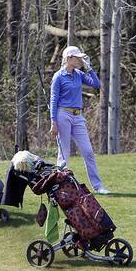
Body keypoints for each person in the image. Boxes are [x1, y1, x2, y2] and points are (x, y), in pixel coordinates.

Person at [49, 45, 110, 194]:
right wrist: (53, 122)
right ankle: (60, 187)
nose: (80, 60)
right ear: (69, 59)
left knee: (88, 151)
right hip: (63, 115)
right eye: (78, 58)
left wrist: (89, 68)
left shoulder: (78, 74)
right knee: (64, 153)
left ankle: (98, 186)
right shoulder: (58, 76)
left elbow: (96, 84)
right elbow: (53, 99)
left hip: (78, 117)